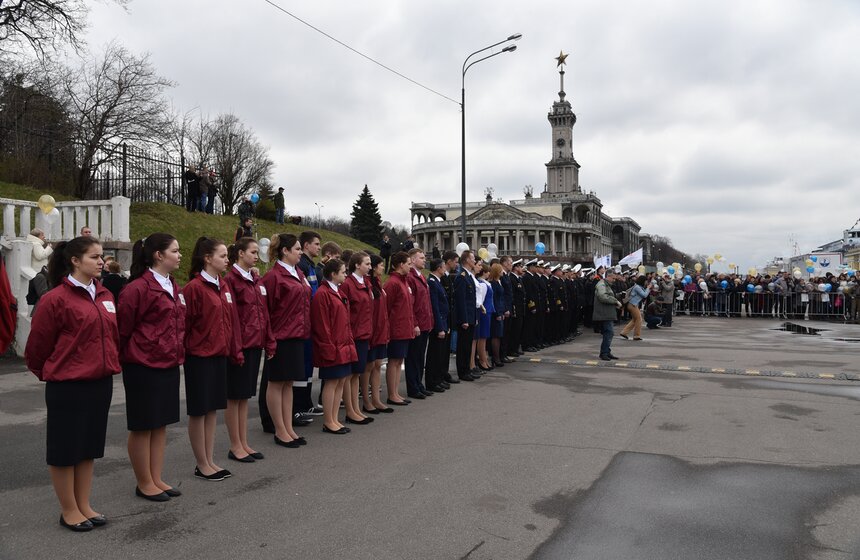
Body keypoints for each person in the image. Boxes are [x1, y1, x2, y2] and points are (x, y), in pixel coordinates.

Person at [25, 236, 121, 531]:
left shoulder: (105, 296)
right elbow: (36, 350)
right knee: (66, 449)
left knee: (88, 447)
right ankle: (69, 509)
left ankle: (84, 504)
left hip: (100, 382)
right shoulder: (55, 299)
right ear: (75, 261)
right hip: (68, 386)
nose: (101, 262)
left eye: (102, 256)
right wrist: (56, 373)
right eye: (94, 257)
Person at [117, 233, 185, 502]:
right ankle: (143, 481)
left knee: (160, 425)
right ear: (159, 255)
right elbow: (123, 330)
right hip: (143, 365)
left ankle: (156, 477)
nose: (180, 255)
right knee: (143, 425)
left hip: (167, 362)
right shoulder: (136, 288)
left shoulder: (172, 285)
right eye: (175, 251)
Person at [182, 237, 243, 481]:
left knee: (212, 411)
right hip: (199, 357)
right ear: (207, 259)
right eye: (222, 255)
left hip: (219, 354)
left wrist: (232, 349)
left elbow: (231, 321)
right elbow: (185, 326)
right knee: (200, 411)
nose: (227, 259)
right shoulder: (194, 288)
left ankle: (210, 460)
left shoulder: (223, 286)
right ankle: (201, 463)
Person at [224, 238, 275, 461]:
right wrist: (236, 347)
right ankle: (235, 444)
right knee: (234, 397)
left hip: (255, 343)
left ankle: (244, 442)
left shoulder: (255, 278)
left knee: (245, 397)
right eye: (253, 252)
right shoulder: (231, 280)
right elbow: (231, 318)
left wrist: (269, 339)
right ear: (240, 254)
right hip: (240, 345)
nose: (257, 255)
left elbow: (264, 312)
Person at [260, 234, 312, 448]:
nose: (301, 252)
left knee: (289, 383)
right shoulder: (274, 276)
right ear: (285, 251)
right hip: (281, 338)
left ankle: (288, 426)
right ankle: (279, 429)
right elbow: (266, 312)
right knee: (276, 383)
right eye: (297, 249)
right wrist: (270, 340)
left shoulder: (298, 273)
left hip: (297, 336)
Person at [310, 259, 358, 434]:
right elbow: (322, 325)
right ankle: (328, 421)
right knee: (331, 382)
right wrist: (328, 348)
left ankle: (335, 418)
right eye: (343, 272)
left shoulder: (338, 292)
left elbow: (345, 322)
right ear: (333, 274)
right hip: (332, 346)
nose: (346, 274)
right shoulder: (323, 294)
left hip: (343, 345)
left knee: (340, 382)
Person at [290, 231, 322, 425]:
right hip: (301, 326)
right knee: (300, 369)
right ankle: (298, 406)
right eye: (315, 244)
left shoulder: (308, 266)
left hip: (308, 324)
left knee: (308, 367)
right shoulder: (302, 266)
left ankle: (305, 402)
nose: (318, 247)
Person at [339, 251, 375, 424]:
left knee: (357, 374)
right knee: (350, 374)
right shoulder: (347, 284)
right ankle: (350, 410)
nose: (370, 267)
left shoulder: (365, 283)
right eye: (367, 264)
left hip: (364, 333)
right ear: (357, 265)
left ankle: (356, 408)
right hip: (354, 334)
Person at [384, 251, 418, 403]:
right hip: (396, 329)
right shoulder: (392, 283)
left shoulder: (403, 281)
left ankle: (396, 393)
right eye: (409, 264)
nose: (411, 267)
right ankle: (392, 394)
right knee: (394, 360)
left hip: (405, 327)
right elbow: (387, 308)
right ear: (400, 265)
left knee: (399, 362)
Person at [363, 253, 394, 413]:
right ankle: (367, 401)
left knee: (377, 365)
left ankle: (376, 399)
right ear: (374, 268)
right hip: (372, 331)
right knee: (368, 367)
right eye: (381, 265)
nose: (383, 267)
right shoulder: (367, 284)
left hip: (381, 330)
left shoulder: (378, 283)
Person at [405, 248, 433, 399]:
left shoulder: (421, 276)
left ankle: (419, 384)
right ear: (413, 260)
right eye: (421, 258)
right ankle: (413, 387)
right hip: (418, 324)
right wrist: (415, 323)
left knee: (420, 356)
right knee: (413, 357)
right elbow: (412, 304)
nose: (424, 260)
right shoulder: (410, 277)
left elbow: (426, 302)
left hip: (425, 323)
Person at [425, 258, 450, 393]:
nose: (445, 269)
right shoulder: (433, 282)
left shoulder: (437, 282)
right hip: (438, 324)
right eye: (443, 266)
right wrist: (440, 327)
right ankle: (432, 381)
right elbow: (435, 307)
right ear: (439, 268)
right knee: (434, 355)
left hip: (443, 322)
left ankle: (438, 379)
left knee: (440, 354)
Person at [453, 250, 478, 381]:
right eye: (473, 258)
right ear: (467, 260)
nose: (474, 261)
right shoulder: (461, 276)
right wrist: (464, 319)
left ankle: (467, 369)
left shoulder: (468, 276)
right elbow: (461, 300)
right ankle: (462, 372)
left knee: (468, 346)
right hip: (465, 318)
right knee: (463, 346)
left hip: (470, 316)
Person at [593, 266, 622, 361]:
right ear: (608, 276)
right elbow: (603, 297)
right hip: (604, 313)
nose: (614, 280)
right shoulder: (601, 284)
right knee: (609, 332)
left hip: (607, 313)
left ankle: (607, 351)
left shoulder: (606, 284)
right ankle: (604, 353)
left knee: (609, 333)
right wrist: (615, 301)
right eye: (613, 278)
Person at [475, 263, 493, 371]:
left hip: (488, 312)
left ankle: (484, 358)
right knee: (482, 337)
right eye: (487, 271)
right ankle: (482, 359)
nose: (489, 273)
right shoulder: (482, 284)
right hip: (484, 313)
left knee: (485, 337)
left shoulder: (486, 283)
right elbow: (480, 301)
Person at [488, 263, 507, 367]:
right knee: (495, 336)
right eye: (500, 270)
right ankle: (496, 358)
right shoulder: (493, 283)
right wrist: (497, 313)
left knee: (499, 335)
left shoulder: (499, 282)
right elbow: (494, 300)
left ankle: (497, 357)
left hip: (500, 310)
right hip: (496, 313)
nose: (502, 272)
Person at [619, 275, 648, 341]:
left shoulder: (638, 286)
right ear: (643, 281)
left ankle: (624, 332)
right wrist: (648, 288)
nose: (646, 282)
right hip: (632, 305)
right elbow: (644, 295)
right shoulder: (637, 287)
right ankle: (636, 335)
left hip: (632, 304)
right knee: (639, 319)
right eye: (646, 281)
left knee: (634, 319)